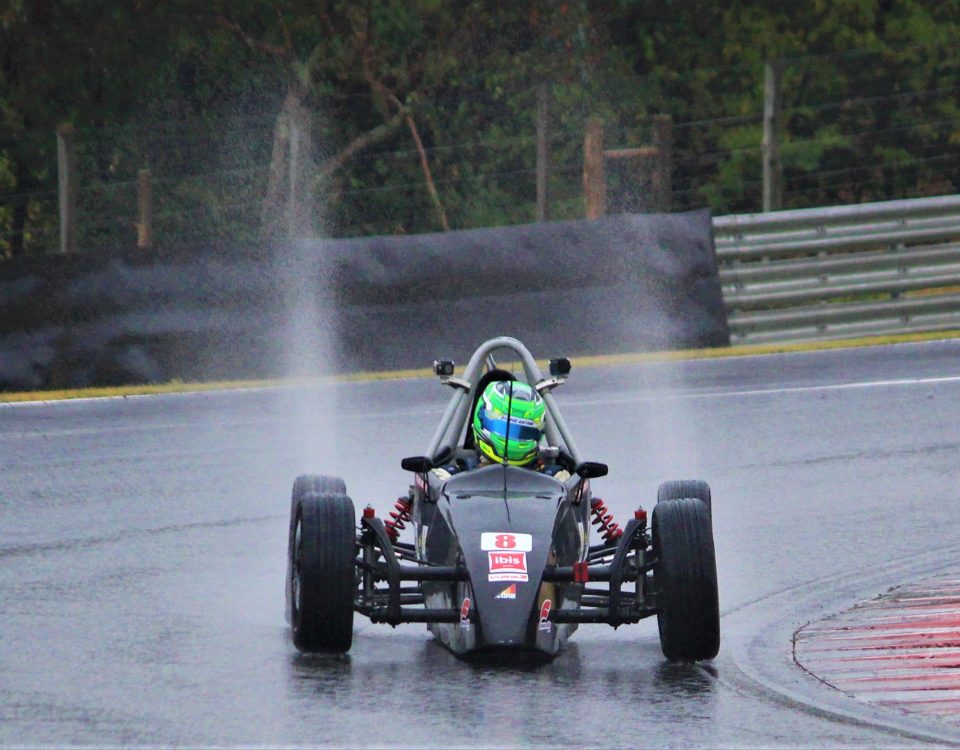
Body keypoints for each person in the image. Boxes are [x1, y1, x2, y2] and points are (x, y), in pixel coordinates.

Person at [433, 379, 569, 480]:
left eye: (522, 431)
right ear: (482, 419)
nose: (511, 439)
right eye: (504, 428)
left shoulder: (557, 478)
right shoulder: (447, 478)